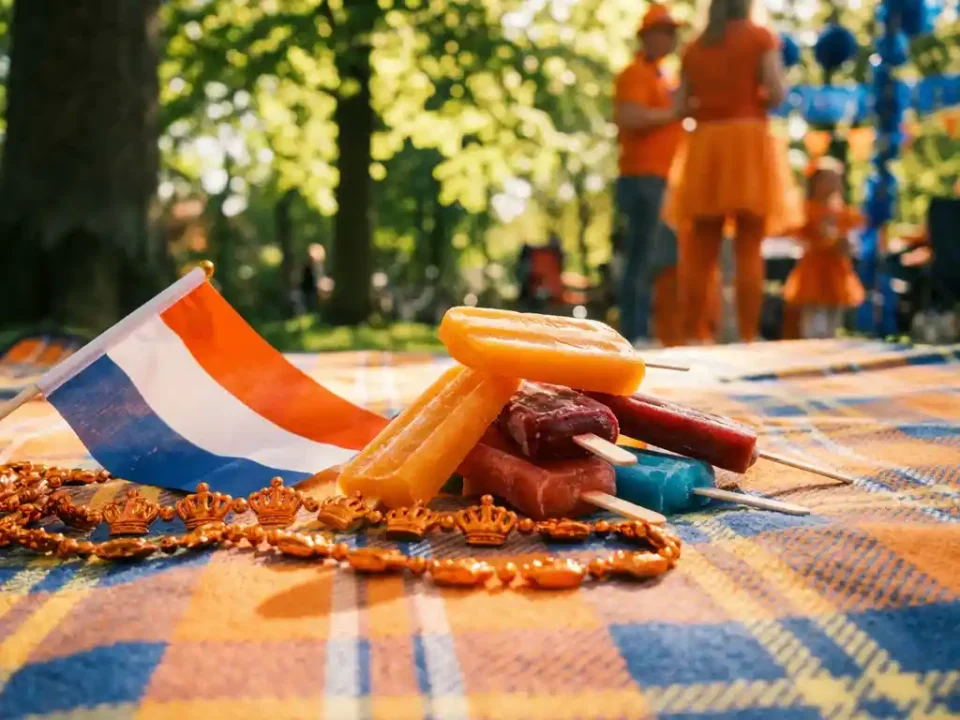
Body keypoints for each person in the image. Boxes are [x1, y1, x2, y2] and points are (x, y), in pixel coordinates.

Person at [666, 0, 802, 343]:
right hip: (748, 142)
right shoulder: (760, 37)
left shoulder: (694, 46)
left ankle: (688, 333)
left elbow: (680, 107)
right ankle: (747, 335)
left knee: (701, 246)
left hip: (706, 146)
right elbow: (777, 93)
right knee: (748, 245)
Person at [613, 3, 684, 344]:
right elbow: (629, 117)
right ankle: (633, 332)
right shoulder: (633, 74)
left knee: (658, 258)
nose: (670, 38)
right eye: (664, 31)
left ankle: (650, 330)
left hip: (664, 178)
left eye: (673, 32)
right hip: (640, 177)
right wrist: (674, 113)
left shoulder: (667, 77)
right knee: (640, 257)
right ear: (647, 36)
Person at [783, 157, 865, 338]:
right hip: (814, 267)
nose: (832, 185)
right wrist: (821, 240)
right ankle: (810, 344)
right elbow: (798, 235)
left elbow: (853, 236)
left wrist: (846, 244)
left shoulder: (843, 212)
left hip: (836, 268)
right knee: (813, 313)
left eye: (836, 180)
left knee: (833, 315)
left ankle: (831, 344)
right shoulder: (807, 209)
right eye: (828, 180)